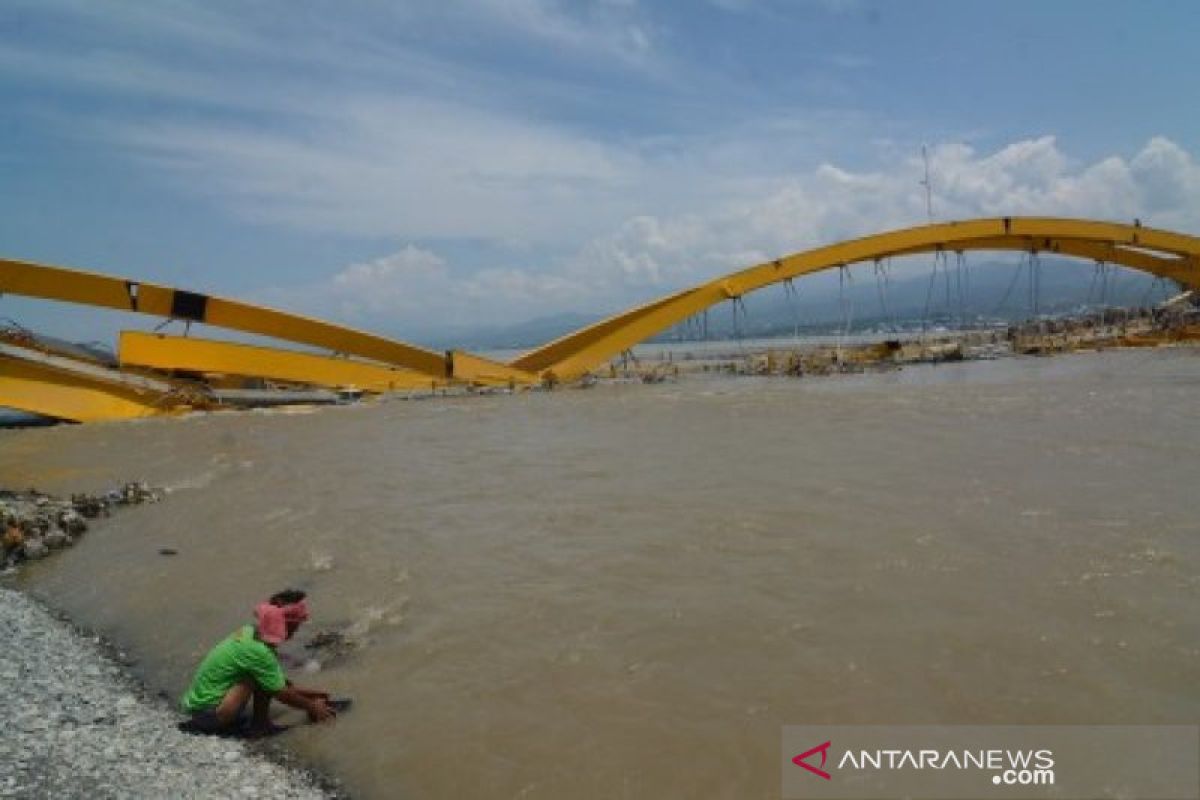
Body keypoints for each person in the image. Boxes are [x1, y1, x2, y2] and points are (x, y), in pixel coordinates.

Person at [180, 588, 336, 737]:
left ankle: (260, 723)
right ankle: (260, 726)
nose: (296, 631)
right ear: (286, 625)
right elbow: (281, 693)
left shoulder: (249, 632)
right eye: (295, 626)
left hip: (198, 707)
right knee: (256, 678)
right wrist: (312, 706)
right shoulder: (259, 652)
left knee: (263, 677)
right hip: (209, 715)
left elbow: (278, 682)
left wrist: (313, 694)